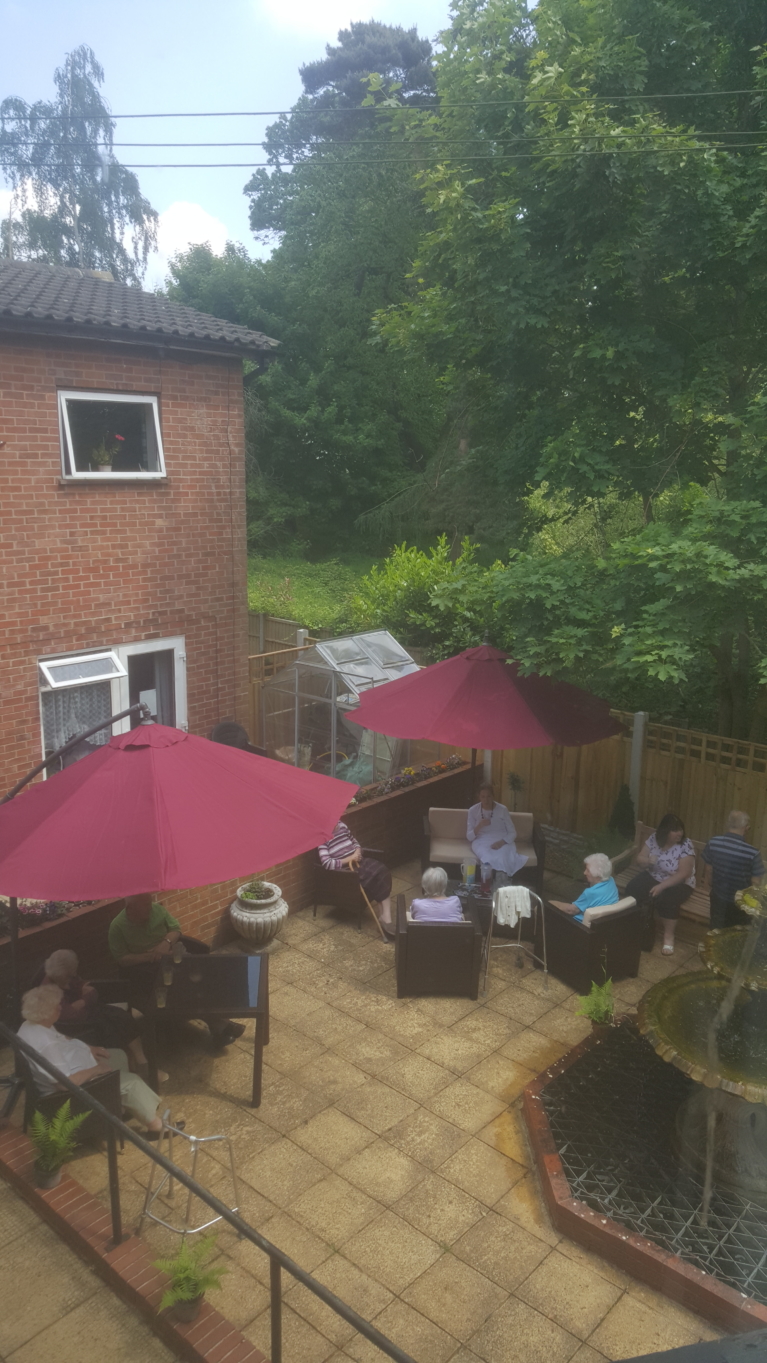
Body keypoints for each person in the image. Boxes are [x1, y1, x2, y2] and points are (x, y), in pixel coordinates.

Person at [18, 985, 165, 1137]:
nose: (61, 1008)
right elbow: (64, 1084)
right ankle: (156, 1127)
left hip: (75, 1065)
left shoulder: (32, 1025)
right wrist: (96, 1070)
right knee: (132, 1082)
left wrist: (89, 1048)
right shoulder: (46, 1046)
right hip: (68, 1094)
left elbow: (63, 1039)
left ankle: (119, 1106)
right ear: (45, 1013)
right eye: (57, 1006)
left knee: (119, 1055)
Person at [108, 895, 245, 1048]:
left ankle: (219, 1025)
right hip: (145, 971)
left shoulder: (157, 910)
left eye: (149, 904)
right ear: (131, 908)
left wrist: (165, 943)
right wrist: (152, 956)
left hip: (174, 957)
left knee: (204, 979)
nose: (150, 908)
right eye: (145, 906)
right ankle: (221, 1024)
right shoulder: (117, 927)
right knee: (190, 987)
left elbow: (175, 929)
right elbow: (122, 959)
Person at [40, 948, 158, 1077]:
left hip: (88, 1012)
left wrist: (81, 1001)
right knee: (114, 1025)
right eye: (70, 975)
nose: (73, 976)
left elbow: (91, 991)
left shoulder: (65, 976)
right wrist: (84, 998)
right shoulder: (49, 990)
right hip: (78, 1026)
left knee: (121, 1016)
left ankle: (139, 1061)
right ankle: (140, 1064)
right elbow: (69, 1015)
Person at [625, 813, 695, 955]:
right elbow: (640, 858)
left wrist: (662, 886)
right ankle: (637, 928)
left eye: (681, 829)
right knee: (632, 889)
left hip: (679, 882)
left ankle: (668, 937)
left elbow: (683, 874)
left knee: (667, 900)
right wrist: (647, 861)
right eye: (675, 830)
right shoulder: (654, 839)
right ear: (665, 831)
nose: (679, 833)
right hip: (654, 875)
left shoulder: (685, 845)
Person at [318, 822, 394, 937]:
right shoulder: (322, 837)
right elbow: (327, 863)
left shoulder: (342, 826)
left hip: (360, 863)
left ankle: (385, 916)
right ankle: (386, 919)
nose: (336, 820)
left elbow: (355, 842)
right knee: (375, 878)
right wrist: (350, 858)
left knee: (382, 871)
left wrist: (357, 851)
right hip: (347, 870)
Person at [702, 810, 765, 930]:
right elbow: (756, 883)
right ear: (746, 828)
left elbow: (708, 870)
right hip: (740, 903)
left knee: (716, 928)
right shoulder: (753, 853)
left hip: (718, 897)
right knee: (736, 931)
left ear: (727, 824)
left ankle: (714, 947)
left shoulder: (713, 843)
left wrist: (712, 885)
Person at [467, 784, 528, 882]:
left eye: (489, 796)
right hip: (481, 840)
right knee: (487, 856)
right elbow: (469, 837)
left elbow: (512, 833)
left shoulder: (502, 809)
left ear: (493, 796)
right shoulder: (473, 810)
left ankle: (502, 882)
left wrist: (501, 842)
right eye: (483, 797)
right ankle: (486, 883)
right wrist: (479, 826)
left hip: (502, 839)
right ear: (479, 797)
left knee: (503, 855)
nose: (486, 800)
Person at [549, 854, 620, 921]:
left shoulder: (590, 893)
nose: (584, 873)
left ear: (597, 876)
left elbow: (571, 910)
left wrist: (550, 903)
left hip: (580, 927)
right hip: (602, 922)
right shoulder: (611, 880)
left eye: (588, 870)